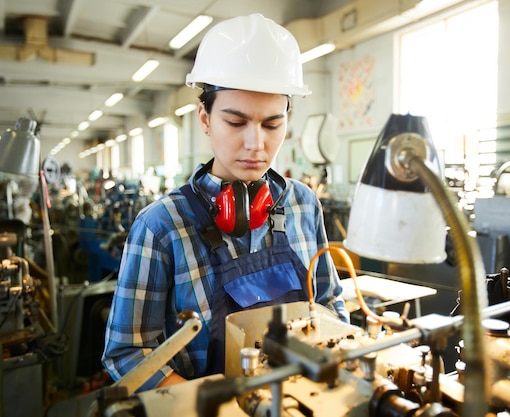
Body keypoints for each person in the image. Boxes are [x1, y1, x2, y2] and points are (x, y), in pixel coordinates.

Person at [102, 13, 349, 391]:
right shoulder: (162, 226)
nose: (256, 144)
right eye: (236, 122)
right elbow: (127, 353)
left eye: (271, 124)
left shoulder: (302, 204)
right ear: (205, 118)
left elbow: (330, 300)